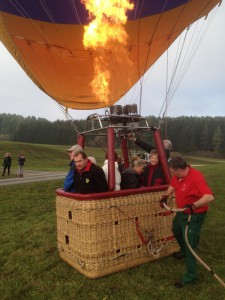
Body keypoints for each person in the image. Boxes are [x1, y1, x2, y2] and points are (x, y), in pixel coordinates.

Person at [160, 157, 214, 288]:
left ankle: (191, 275)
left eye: (173, 172)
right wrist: (165, 196)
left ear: (179, 170)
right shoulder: (177, 176)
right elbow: (173, 184)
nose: (172, 174)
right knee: (176, 229)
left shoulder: (196, 178)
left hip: (195, 215)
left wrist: (194, 205)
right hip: (182, 212)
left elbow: (209, 196)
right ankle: (184, 251)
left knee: (190, 242)